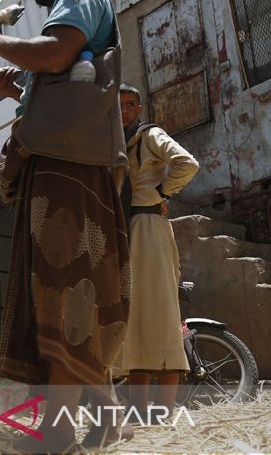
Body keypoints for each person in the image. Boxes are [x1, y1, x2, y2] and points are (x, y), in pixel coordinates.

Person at [0, 0, 131, 451]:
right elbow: (62, 85)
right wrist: (16, 92)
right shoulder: (77, 6)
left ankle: (58, 432)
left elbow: (57, 56)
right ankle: (106, 418)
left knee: (61, 292)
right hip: (69, 164)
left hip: (68, 169)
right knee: (71, 293)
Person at [118, 83, 199, 423]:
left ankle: (165, 410)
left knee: (162, 315)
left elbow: (187, 163)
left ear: (139, 108)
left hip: (149, 228)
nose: (124, 110)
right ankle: (138, 409)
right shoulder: (113, 141)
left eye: (130, 104)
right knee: (134, 317)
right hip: (124, 230)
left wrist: (163, 192)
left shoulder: (149, 135)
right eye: (118, 105)